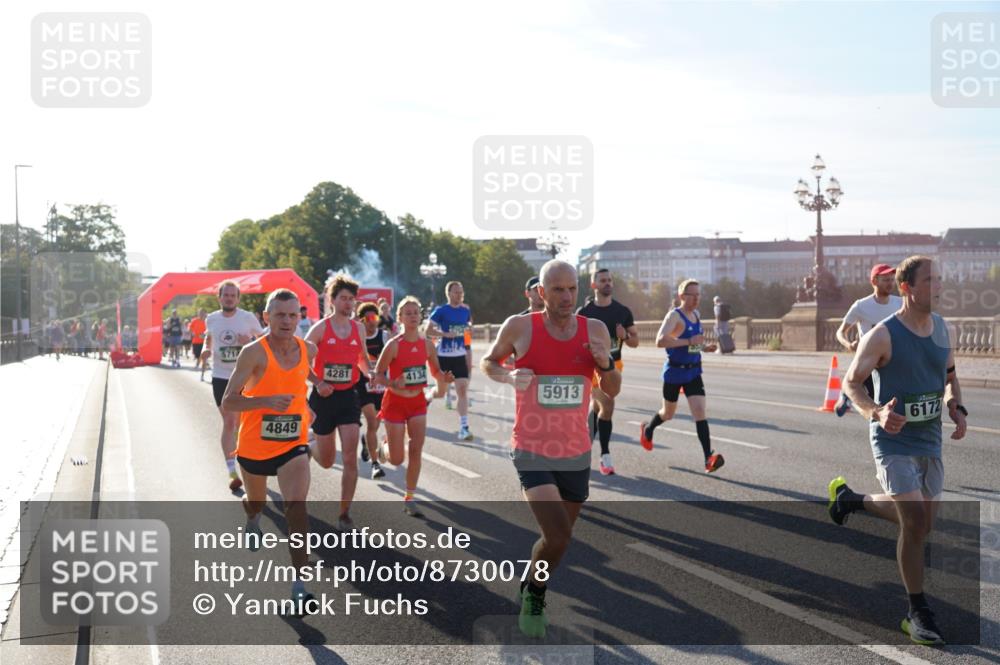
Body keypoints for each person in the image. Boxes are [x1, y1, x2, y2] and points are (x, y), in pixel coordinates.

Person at [827, 256, 967, 646]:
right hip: (893, 441)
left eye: (939, 279)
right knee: (916, 524)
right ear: (907, 288)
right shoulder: (883, 335)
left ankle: (850, 500)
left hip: (929, 439)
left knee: (922, 521)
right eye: (930, 280)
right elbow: (851, 383)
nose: (938, 286)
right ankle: (916, 612)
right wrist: (876, 412)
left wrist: (956, 406)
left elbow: (950, 377)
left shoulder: (943, 329)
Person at [481, 260, 619, 638]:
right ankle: (536, 596)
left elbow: (612, 389)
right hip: (531, 447)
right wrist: (509, 375)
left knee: (556, 542)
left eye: (572, 289)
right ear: (541, 293)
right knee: (558, 536)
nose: (566, 297)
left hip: (576, 451)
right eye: (558, 290)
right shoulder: (520, 326)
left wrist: (606, 364)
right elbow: (488, 362)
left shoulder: (595, 330)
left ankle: (531, 581)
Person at [221, 288, 318, 612]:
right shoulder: (253, 353)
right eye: (279, 315)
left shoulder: (309, 349)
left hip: (293, 444)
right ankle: (252, 517)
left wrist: (311, 401)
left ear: (299, 317)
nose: (287, 321)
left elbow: (303, 376)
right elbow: (229, 401)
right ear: (266, 317)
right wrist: (265, 402)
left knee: (296, 508)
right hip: (254, 448)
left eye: (293, 315)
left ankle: (299, 587)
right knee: (257, 502)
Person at [372, 296, 454, 517]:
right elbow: (378, 375)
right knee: (397, 459)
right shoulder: (393, 345)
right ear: (399, 318)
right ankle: (384, 448)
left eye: (416, 312)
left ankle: (409, 498)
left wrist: (444, 378)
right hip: (395, 403)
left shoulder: (427, 345)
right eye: (408, 313)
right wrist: (392, 383)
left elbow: (436, 371)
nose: (413, 316)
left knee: (416, 450)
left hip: (417, 402)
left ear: (421, 316)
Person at [639, 279, 725, 473]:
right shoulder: (674, 316)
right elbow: (660, 341)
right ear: (681, 296)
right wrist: (689, 341)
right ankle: (648, 429)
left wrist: (704, 347)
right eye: (691, 295)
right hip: (674, 372)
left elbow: (693, 343)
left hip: (693, 371)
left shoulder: (696, 315)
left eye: (698, 295)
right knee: (667, 414)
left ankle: (708, 458)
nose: (696, 298)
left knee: (699, 412)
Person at [305, 274, 369, 531]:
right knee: (328, 461)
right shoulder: (320, 329)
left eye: (351, 299)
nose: (348, 303)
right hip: (323, 398)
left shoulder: (358, 328)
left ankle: (344, 513)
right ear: (332, 301)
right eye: (343, 298)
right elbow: (301, 361)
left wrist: (372, 373)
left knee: (351, 457)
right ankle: (311, 445)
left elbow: (361, 359)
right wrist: (318, 382)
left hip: (347, 397)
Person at [202, 280, 265, 491]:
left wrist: (249, 341)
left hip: (245, 376)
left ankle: (248, 463)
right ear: (219, 297)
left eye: (232, 295)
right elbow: (209, 337)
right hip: (221, 377)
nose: (229, 299)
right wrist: (205, 349)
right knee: (230, 422)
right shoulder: (211, 318)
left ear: (238, 298)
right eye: (225, 295)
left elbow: (265, 340)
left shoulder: (247, 318)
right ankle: (232, 471)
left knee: (242, 424)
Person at [577, 268, 637, 475]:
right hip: (591, 367)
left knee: (598, 407)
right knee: (608, 404)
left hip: (614, 365)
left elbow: (635, 342)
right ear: (594, 285)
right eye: (602, 280)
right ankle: (605, 456)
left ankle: (582, 448)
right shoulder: (584, 313)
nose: (607, 283)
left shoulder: (623, 311)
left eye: (609, 280)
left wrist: (625, 336)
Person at [834, 264, 904, 417]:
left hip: (893, 362)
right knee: (876, 408)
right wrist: (848, 344)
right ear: (874, 281)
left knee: (892, 406)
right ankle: (849, 396)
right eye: (885, 280)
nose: (890, 283)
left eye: (892, 279)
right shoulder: (861, 306)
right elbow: (840, 332)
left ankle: (849, 398)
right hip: (870, 363)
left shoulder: (900, 303)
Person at [426, 281, 474, 441]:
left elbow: (467, 332)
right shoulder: (441, 311)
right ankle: (429, 396)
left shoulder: (465, 311)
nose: (459, 295)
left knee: (462, 390)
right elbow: (428, 330)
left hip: (459, 356)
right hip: (443, 357)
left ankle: (464, 427)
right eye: (456, 292)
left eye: (461, 292)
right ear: (449, 294)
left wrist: (468, 349)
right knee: (441, 392)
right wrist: (444, 334)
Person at [355, 302, 388, 480]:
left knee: (375, 426)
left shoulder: (384, 336)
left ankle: (367, 442)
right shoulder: (357, 337)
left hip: (381, 385)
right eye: (367, 318)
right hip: (363, 385)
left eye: (374, 317)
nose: (372, 321)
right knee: (371, 420)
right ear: (361, 321)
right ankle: (375, 464)